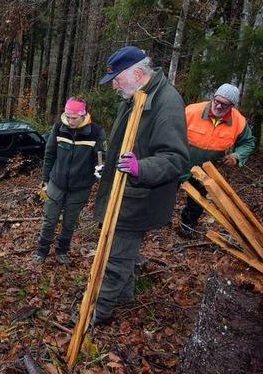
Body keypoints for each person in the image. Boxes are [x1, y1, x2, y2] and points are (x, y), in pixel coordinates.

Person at [91, 46, 189, 325]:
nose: (114, 86)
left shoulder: (166, 103)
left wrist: (140, 168)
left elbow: (176, 158)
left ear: (137, 73)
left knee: (116, 257)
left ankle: (99, 313)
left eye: (116, 79)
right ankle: (125, 297)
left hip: (139, 196)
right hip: (124, 190)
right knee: (122, 253)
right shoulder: (134, 96)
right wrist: (109, 167)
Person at [34, 98, 106, 265]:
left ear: (84, 115)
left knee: (69, 223)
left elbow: (101, 157)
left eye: (75, 118)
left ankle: (62, 251)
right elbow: (50, 154)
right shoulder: (59, 127)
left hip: (80, 188)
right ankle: (42, 251)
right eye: (68, 117)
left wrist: (99, 170)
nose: (71, 121)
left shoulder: (96, 132)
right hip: (56, 183)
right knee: (49, 220)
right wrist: (45, 180)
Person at [180, 83, 256, 234]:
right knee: (165, 193)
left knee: (197, 201)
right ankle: (159, 221)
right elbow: (171, 130)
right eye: (217, 101)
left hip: (207, 170)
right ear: (213, 98)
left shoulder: (239, 121)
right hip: (180, 163)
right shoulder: (191, 111)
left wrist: (236, 156)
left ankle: (187, 227)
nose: (219, 106)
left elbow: (248, 142)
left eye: (225, 105)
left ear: (232, 106)